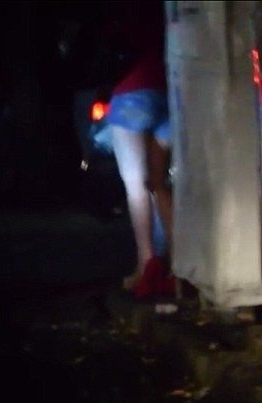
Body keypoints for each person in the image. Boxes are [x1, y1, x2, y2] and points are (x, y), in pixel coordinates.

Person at [98, 0, 174, 295]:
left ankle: (146, 264)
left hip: (131, 96)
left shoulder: (132, 16)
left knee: (136, 187)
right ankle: (171, 263)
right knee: (160, 183)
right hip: (170, 91)